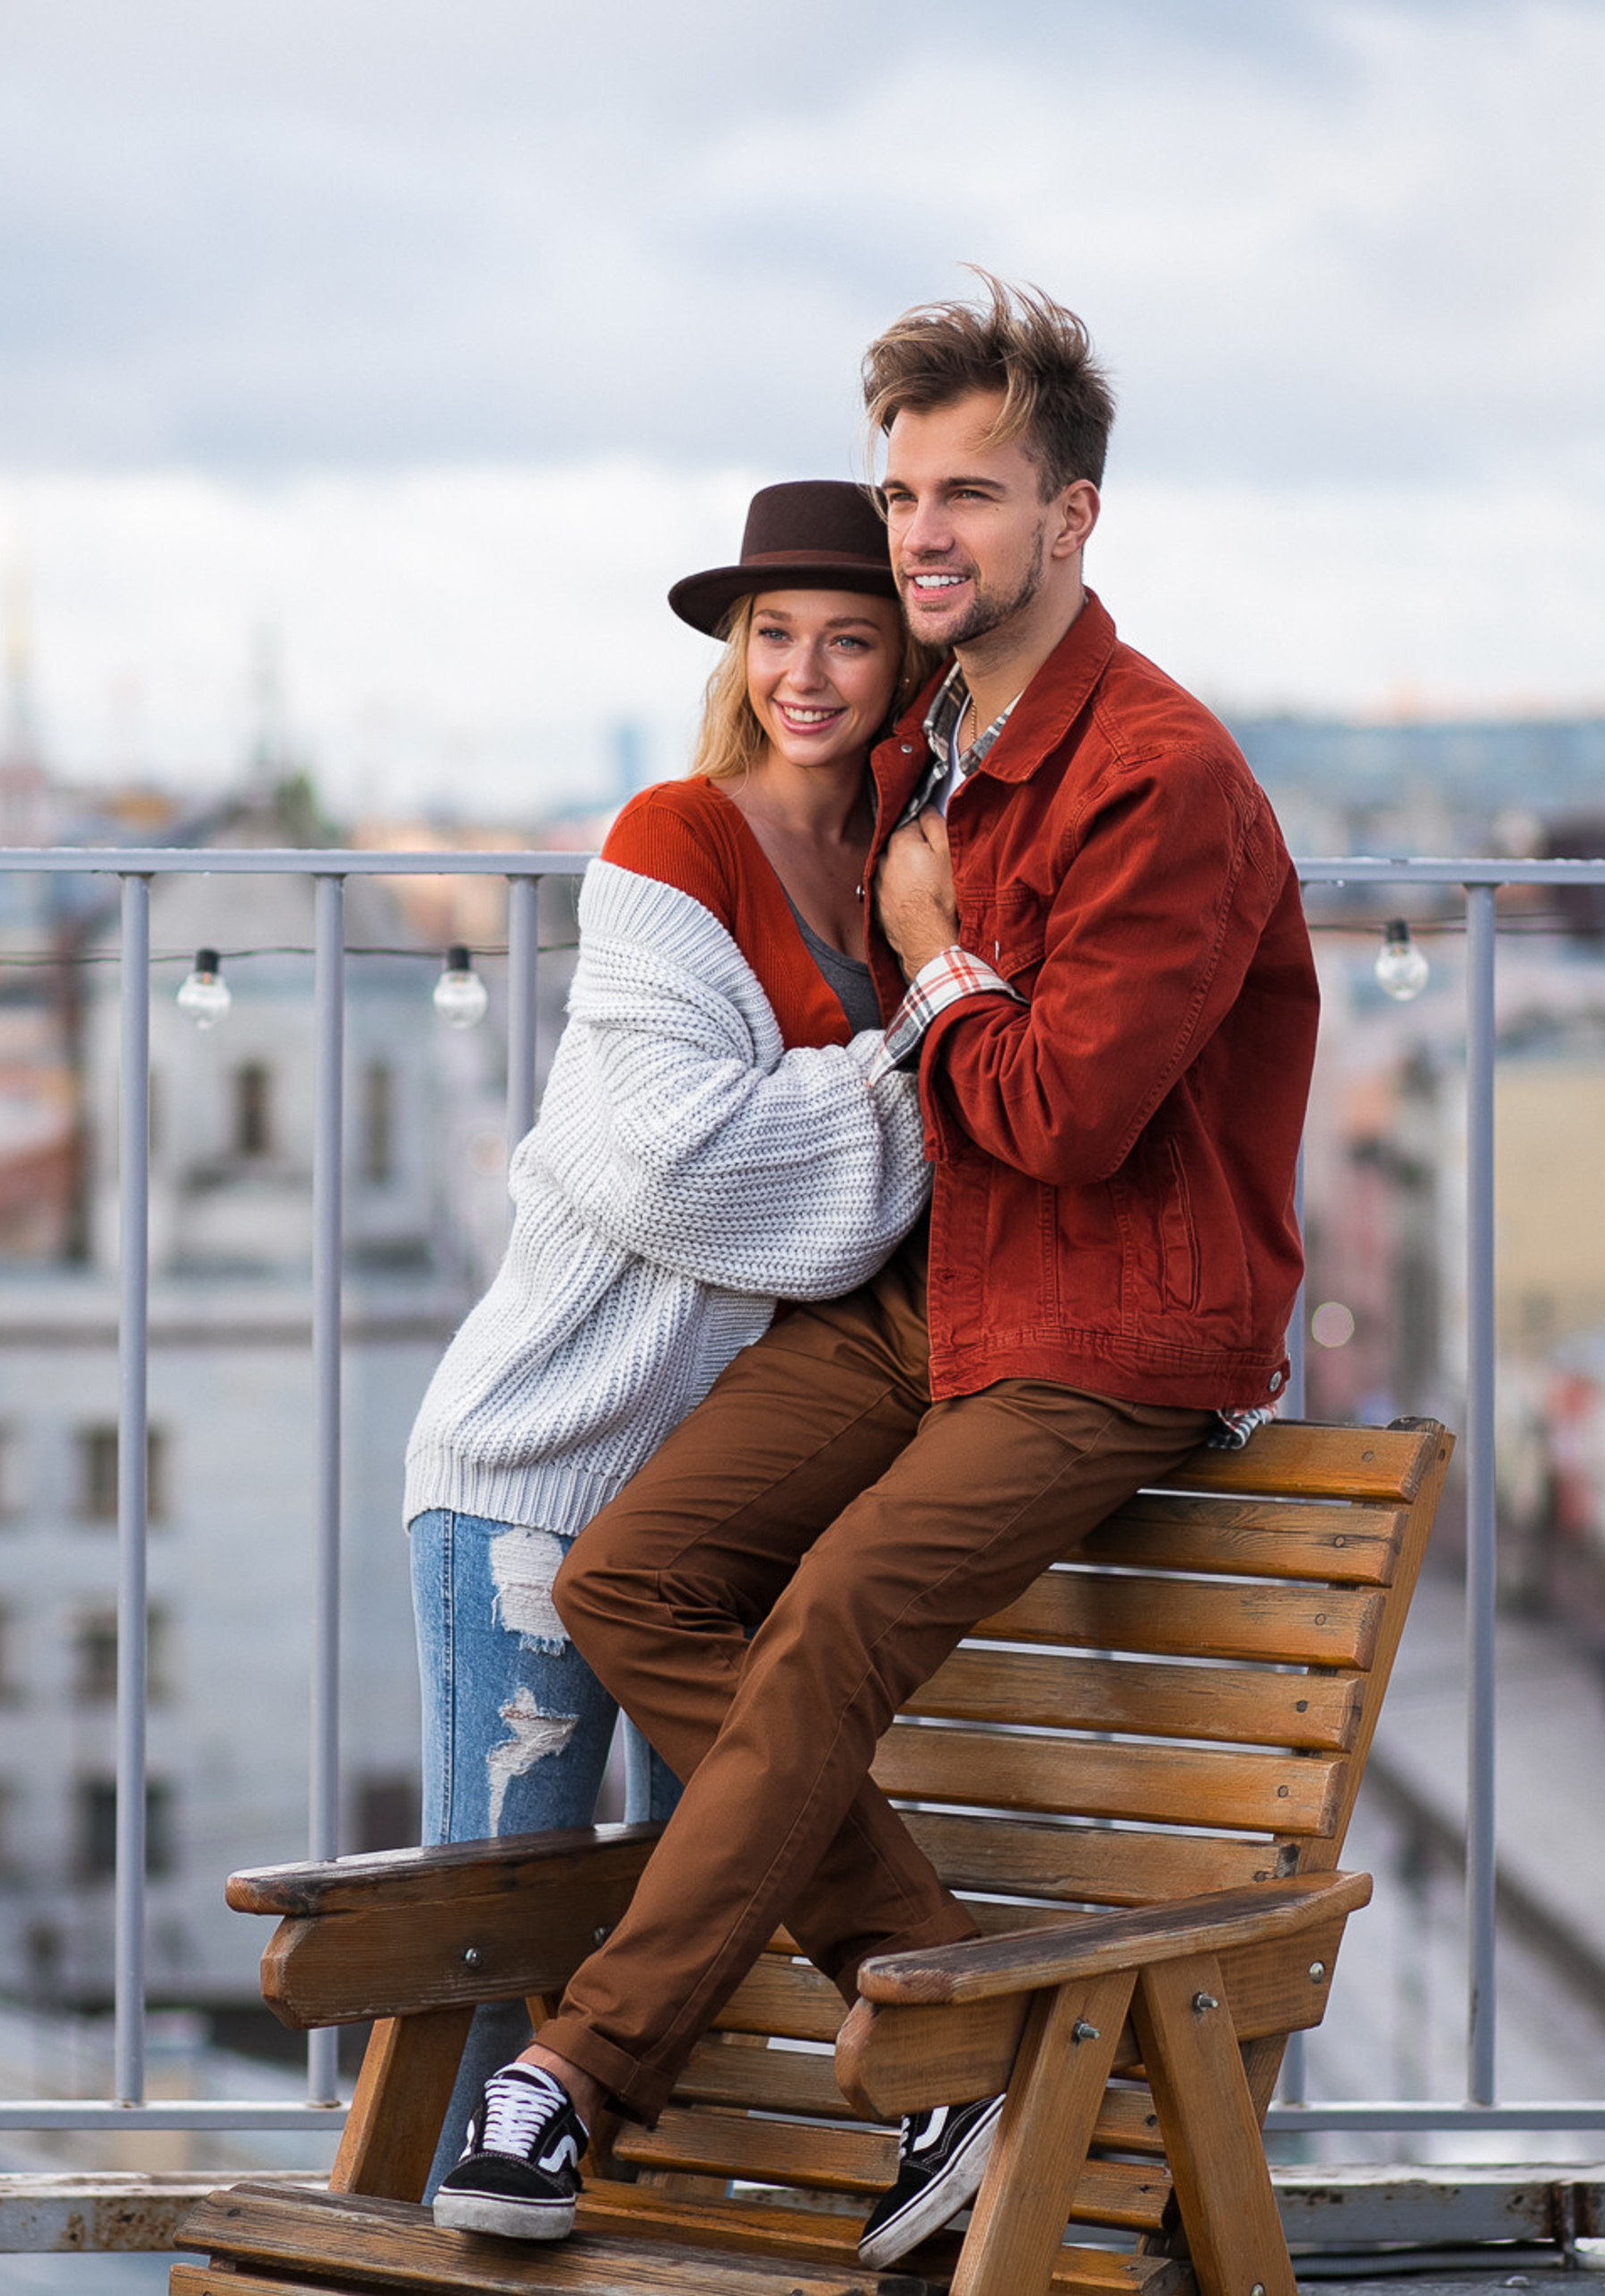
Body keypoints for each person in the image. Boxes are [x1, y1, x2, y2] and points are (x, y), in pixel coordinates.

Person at [431, 276, 1320, 2268]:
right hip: (944, 1292)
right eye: (905, 488)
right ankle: (945, 2008)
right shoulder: (928, 731)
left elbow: (1066, 1113)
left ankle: (573, 2072)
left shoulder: (1149, 777)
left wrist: (922, 950)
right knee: (630, 1575)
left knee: (824, 1608)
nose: (923, 531)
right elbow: (773, 809)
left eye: (971, 496)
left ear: (1069, 519)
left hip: (1104, 1323)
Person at [404, 478, 935, 2188]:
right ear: (733, 649)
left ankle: (604, 2225)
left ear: (902, 654)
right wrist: (910, 1045)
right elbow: (668, 1161)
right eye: (773, 633)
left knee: (683, 1908)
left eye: (850, 637)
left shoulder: (910, 857)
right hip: (543, 1466)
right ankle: (440, 2236)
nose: (806, 671)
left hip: (727, 1492)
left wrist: (826, 1095)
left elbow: (814, 1167)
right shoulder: (671, 839)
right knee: (502, 1938)